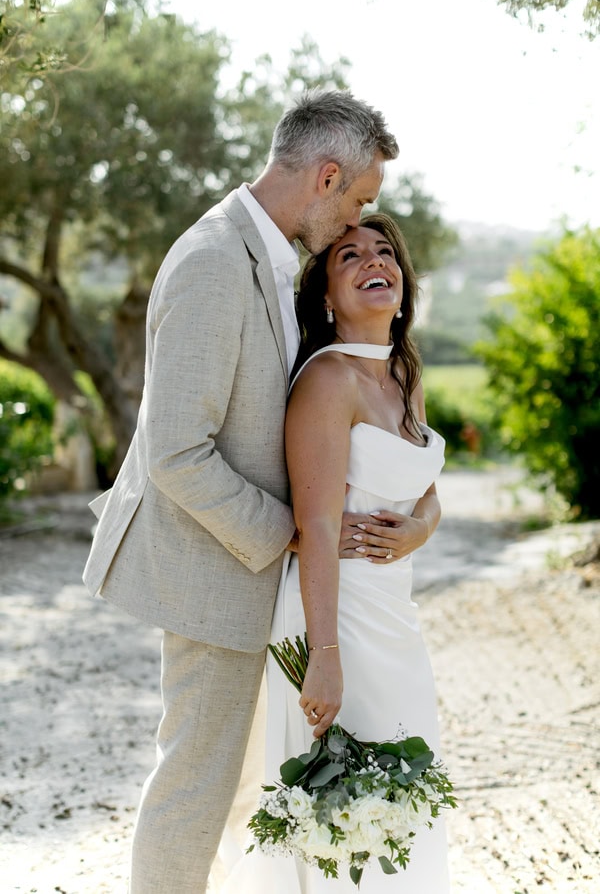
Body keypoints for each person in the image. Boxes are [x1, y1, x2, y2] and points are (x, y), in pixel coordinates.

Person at [82, 89, 404, 893]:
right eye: (360, 200)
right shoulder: (214, 261)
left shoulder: (265, 255)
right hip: (214, 573)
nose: (359, 219)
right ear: (328, 177)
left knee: (238, 792)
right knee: (196, 787)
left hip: (262, 580)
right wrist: (292, 530)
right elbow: (176, 454)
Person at [220, 213, 449, 892]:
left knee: (404, 797)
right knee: (342, 812)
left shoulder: (403, 372)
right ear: (326, 294)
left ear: (403, 285)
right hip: (334, 618)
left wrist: (419, 531)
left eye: (385, 253)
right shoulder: (328, 382)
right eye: (349, 255)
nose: (373, 261)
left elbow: (428, 494)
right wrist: (323, 660)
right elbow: (315, 527)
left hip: (394, 621)